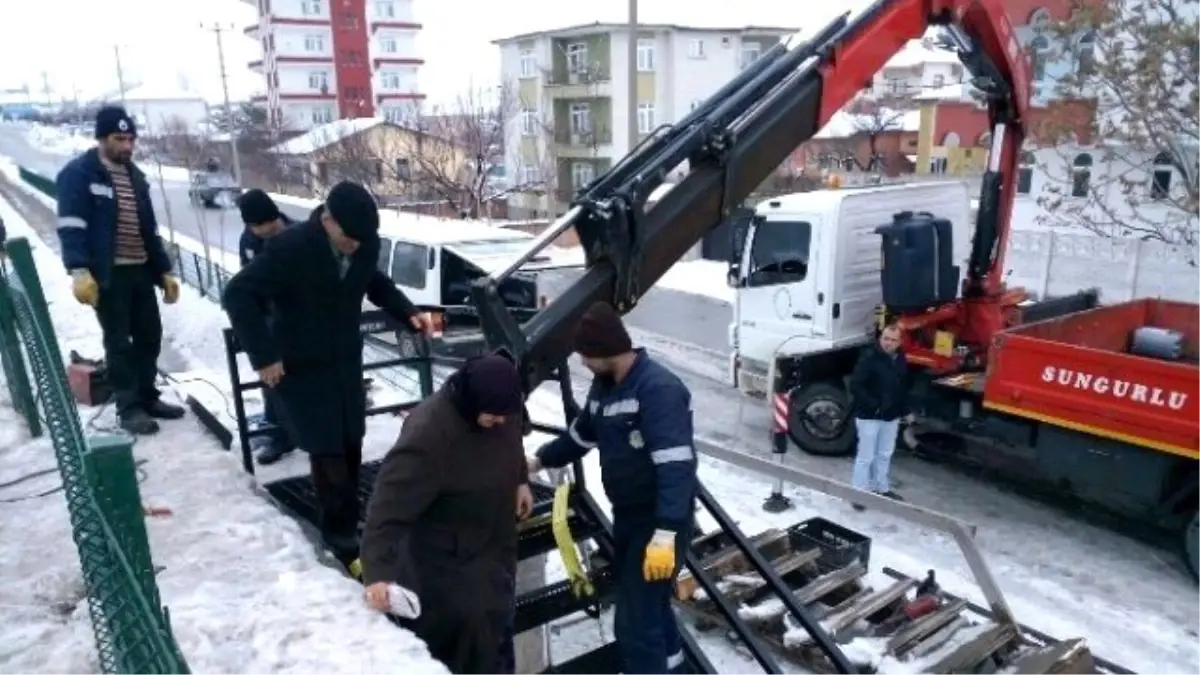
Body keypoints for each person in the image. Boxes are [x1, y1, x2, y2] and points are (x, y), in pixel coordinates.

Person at [221, 180, 433, 560]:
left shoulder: (364, 243)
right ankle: (338, 534)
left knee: (351, 439)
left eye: (360, 241)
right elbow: (237, 294)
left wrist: (408, 312)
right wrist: (264, 356)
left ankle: (350, 513)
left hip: (344, 360)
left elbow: (375, 282)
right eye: (348, 239)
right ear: (329, 221)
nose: (355, 246)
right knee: (327, 449)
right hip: (301, 364)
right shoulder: (290, 247)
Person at [527, 301, 698, 675]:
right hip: (629, 519)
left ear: (605, 350)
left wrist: (666, 533)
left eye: (586, 355)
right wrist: (538, 461)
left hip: (659, 524)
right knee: (651, 611)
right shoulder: (605, 389)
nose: (583, 363)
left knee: (635, 624)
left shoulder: (658, 390)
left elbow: (677, 466)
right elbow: (582, 436)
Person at [359, 354, 534, 675]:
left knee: (499, 636)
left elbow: (512, 441)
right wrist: (378, 574)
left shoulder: (503, 407)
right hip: (449, 564)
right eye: (492, 416)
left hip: (495, 543)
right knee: (469, 652)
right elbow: (387, 509)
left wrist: (520, 479)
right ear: (472, 402)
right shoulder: (429, 434)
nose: (500, 422)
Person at [55, 105, 184, 435]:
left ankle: (147, 396)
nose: (126, 146)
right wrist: (79, 270)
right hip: (109, 275)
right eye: (119, 139)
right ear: (102, 138)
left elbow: (148, 229)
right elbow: (71, 225)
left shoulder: (135, 177)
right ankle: (128, 408)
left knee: (149, 337)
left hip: (140, 269)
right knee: (119, 342)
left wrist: (164, 271)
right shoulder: (79, 175)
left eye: (130, 139)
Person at [235, 189, 296, 465]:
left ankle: (296, 431)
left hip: (298, 319)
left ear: (274, 219)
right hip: (268, 320)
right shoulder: (248, 240)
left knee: (298, 381)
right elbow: (246, 284)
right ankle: (277, 432)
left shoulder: (297, 235)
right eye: (252, 226)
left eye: (261, 225)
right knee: (271, 379)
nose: (257, 231)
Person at [847, 322, 912, 510]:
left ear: (899, 342)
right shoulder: (869, 357)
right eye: (885, 338)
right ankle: (858, 493)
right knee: (865, 456)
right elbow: (856, 385)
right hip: (869, 416)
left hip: (891, 416)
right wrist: (874, 406)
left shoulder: (900, 359)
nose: (888, 343)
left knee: (884, 454)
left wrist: (905, 409)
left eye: (893, 340)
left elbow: (902, 387)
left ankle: (881, 488)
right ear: (880, 338)